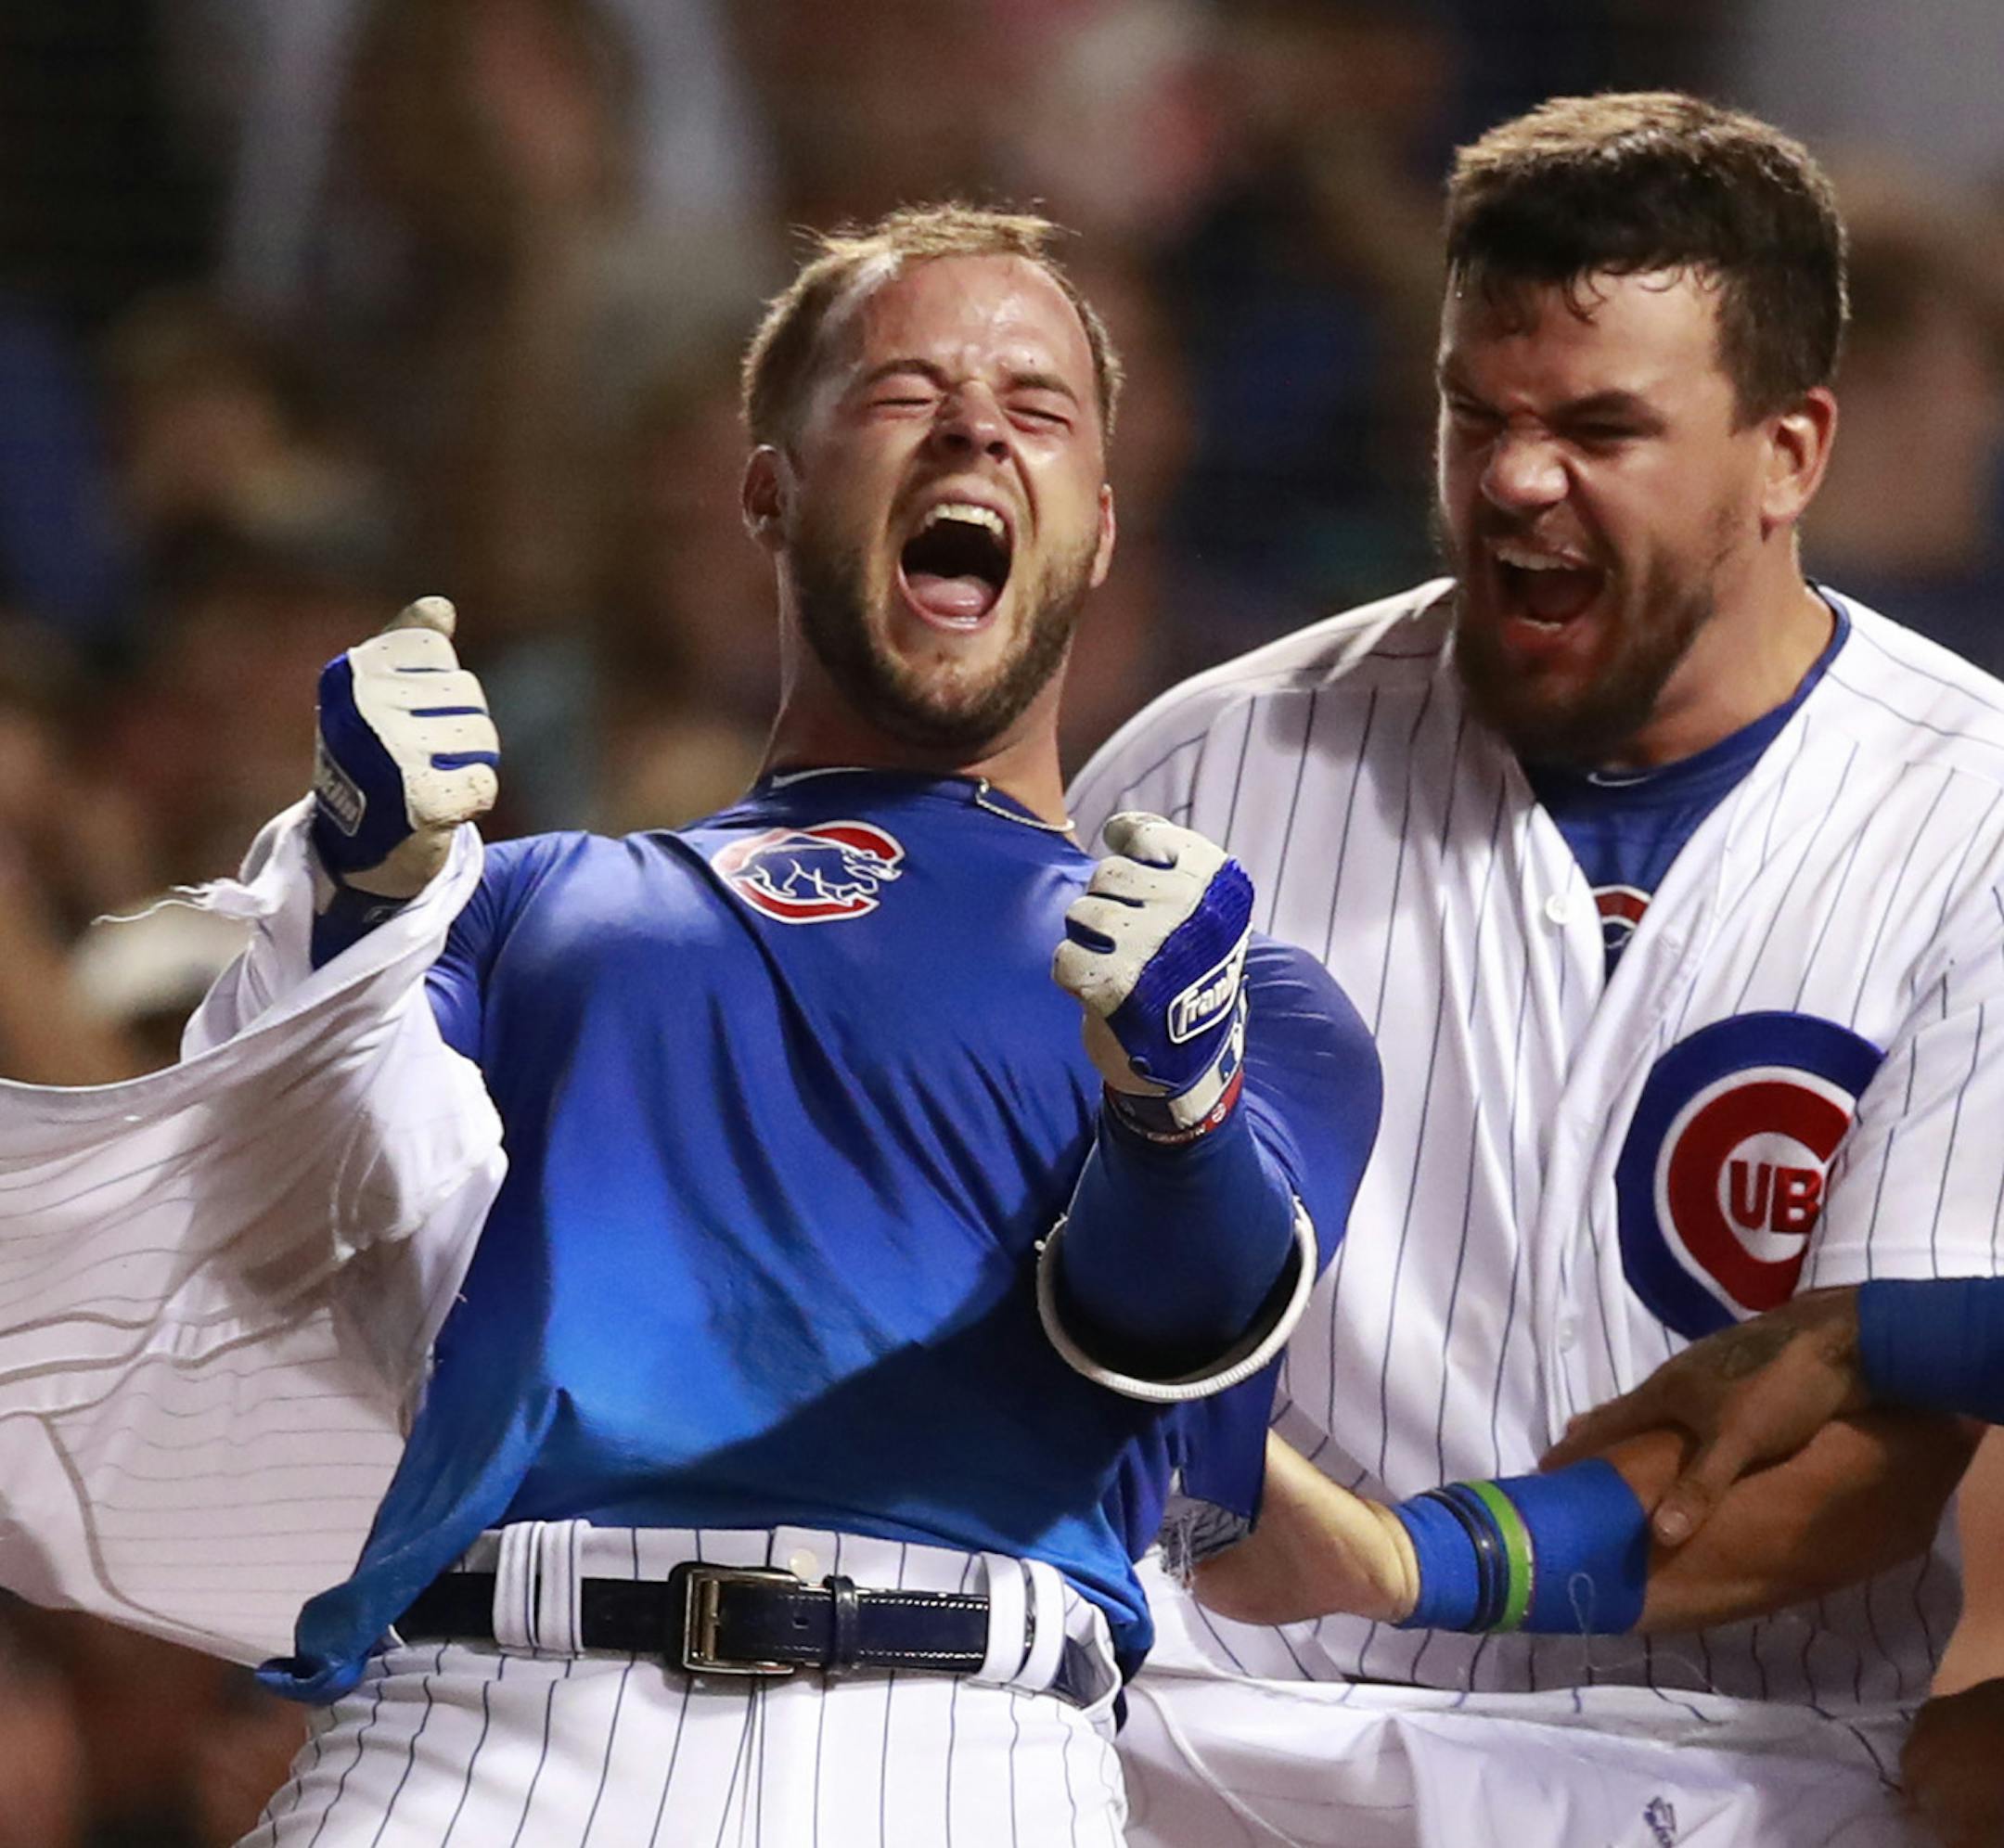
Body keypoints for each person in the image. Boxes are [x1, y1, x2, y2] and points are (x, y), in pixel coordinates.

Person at [4, 206, 1381, 1845]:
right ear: (766, 491)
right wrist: (358, 899)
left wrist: (1179, 1107)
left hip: (964, 1756)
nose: (974, 428)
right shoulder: (513, 905)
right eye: (903, 392)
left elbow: (1183, 1344)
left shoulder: (1249, 995)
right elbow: (284, 1244)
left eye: (1040, 408)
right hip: (482, 1736)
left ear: (1096, 528)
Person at [1068, 91, 2004, 1847]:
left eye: (1599, 426)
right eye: (1474, 413)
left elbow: (1866, 1454)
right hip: (1242, 1748)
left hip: (1751, 1773)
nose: (1511, 479)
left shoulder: (1977, 824)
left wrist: (1405, 1561)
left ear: (1791, 451)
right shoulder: (1210, 771)